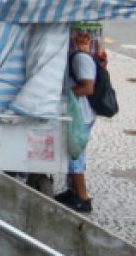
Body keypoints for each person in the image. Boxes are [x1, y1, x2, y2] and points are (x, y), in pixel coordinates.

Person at [55, 31, 99, 214]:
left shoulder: (81, 58)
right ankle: (74, 191)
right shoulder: (76, 56)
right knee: (72, 152)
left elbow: (88, 88)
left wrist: (64, 93)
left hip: (81, 114)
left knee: (75, 155)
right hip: (78, 113)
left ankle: (83, 198)